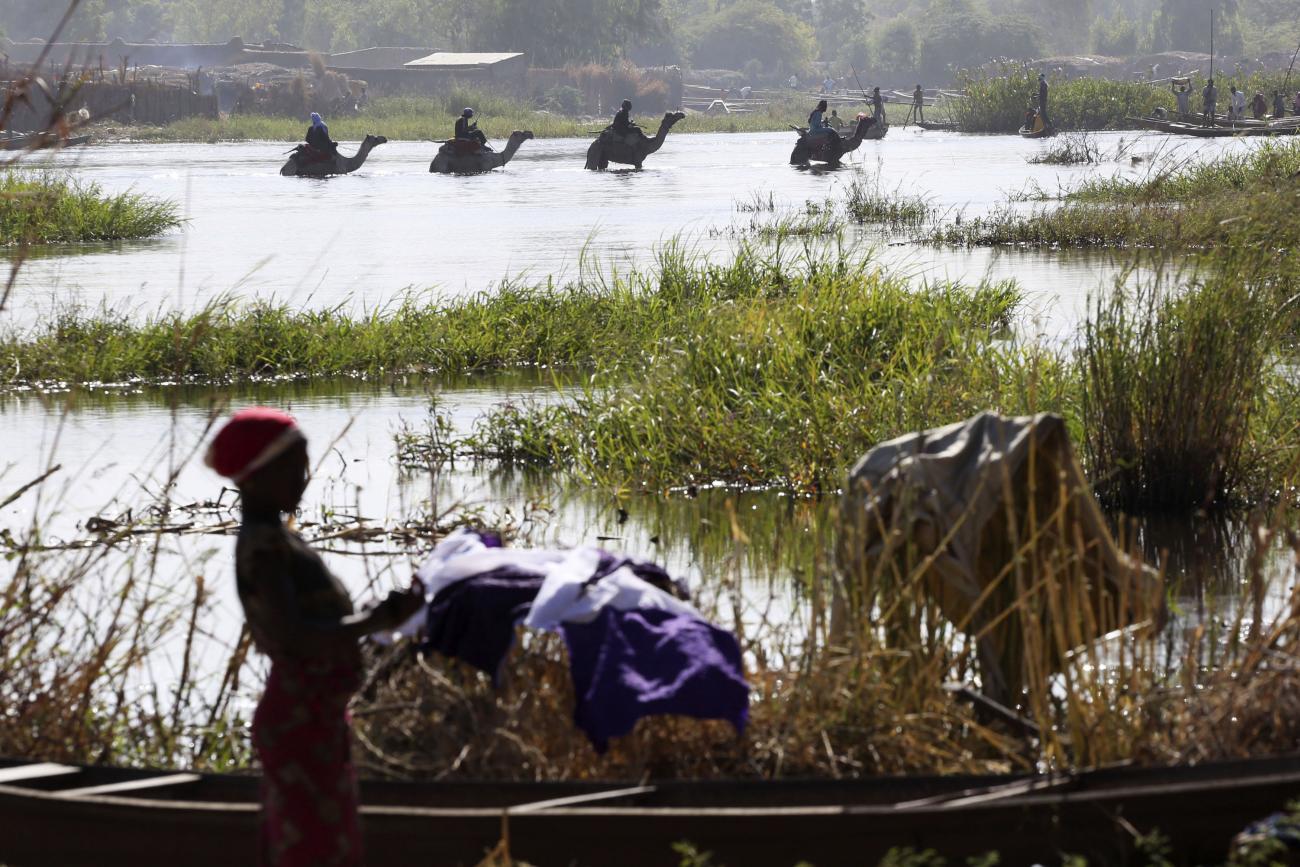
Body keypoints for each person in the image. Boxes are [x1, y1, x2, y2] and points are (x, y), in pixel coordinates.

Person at [206, 407, 423, 867]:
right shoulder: (264, 547)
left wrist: (379, 617)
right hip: (298, 718)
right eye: (293, 468)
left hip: (313, 715)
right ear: (256, 473)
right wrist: (376, 620)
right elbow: (298, 637)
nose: (303, 479)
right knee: (314, 849)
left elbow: (315, 627)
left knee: (317, 843)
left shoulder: (279, 540)